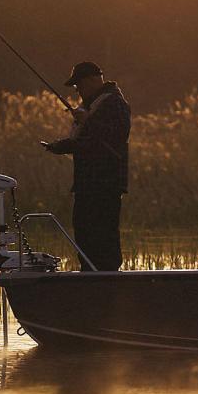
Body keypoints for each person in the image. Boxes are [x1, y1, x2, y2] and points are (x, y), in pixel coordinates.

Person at [43, 61, 130, 271]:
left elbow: (114, 137)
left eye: (78, 85)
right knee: (83, 232)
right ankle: (90, 275)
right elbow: (88, 142)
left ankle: (106, 278)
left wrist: (88, 120)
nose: (77, 91)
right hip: (87, 184)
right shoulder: (92, 106)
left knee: (103, 235)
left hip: (105, 183)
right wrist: (60, 146)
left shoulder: (115, 104)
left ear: (92, 80)